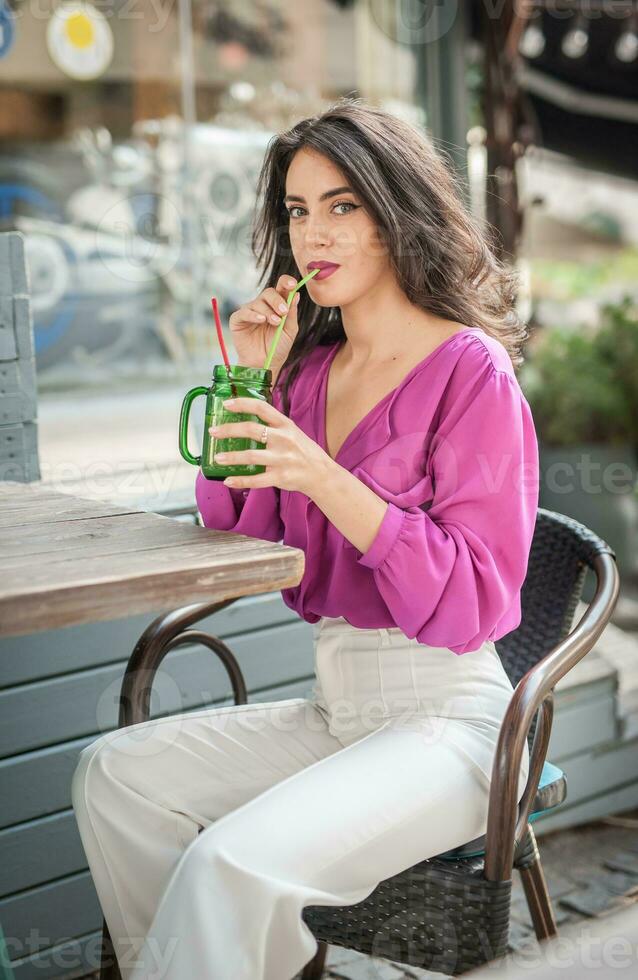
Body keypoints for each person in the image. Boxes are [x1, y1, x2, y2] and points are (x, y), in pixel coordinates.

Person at [71, 97, 537, 980]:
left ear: (397, 213)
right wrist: (251, 378)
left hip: (453, 725)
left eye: (341, 206)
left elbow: (477, 599)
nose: (311, 234)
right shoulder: (309, 372)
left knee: (225, 866)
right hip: (339, 712)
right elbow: (235, 521)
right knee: (114, 776)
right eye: (295, 210)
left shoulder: (471, 371)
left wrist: (326, 476)